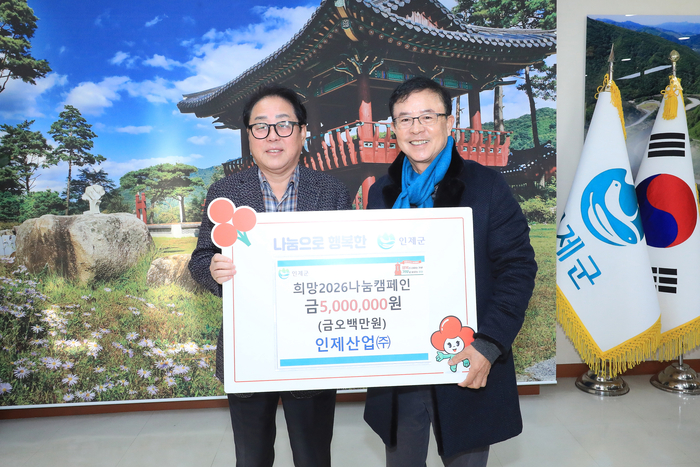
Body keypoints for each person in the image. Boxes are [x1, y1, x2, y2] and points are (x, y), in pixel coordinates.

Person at [363, 77, 537, 466]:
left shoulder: (485, 186)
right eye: (405, 119)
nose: (416, 128)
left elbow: (517, 268)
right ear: (394, 129)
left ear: (449, 121)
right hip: (400, 362)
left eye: (427, 116)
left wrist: (489, 344)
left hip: (466, 356)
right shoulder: (381, 193)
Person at [188, 84, 351, 467]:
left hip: (312, 347)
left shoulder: (332, 192)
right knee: (252, 456)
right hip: (247, 345)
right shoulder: (225, 192)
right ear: (249, 136)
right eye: (260, 127)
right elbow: (200, 258)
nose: (272, 136)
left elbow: (348, 263)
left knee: (313, 456)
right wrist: (213, 270)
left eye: (284, 125)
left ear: (302, 132)